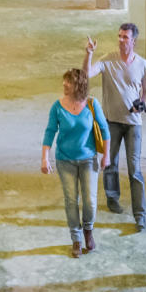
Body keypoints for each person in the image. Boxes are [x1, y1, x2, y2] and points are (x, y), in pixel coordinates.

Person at [83, 23, 146, 229]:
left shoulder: (142, 64)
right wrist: (89, 54)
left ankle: (140, 214)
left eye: (125, 38)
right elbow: (86, 74)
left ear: (134, 41)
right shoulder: (108, 60)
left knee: (135, 169)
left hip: (133, 124)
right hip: (111, 121)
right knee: (109, 163)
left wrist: (143, 103)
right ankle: (112, 198)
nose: (121, 40)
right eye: (119, 36)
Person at [41, 68, 110, 257]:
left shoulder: (91, 104)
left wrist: (106, 155)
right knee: (71, 201)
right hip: (65, 160)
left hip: (88, 159)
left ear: (78, 85)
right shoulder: (57, 106)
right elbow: (49, 132)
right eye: (64, 81)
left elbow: (104, 130)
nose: (64, 85)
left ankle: (88, 229)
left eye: (68, 82)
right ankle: (76, 239)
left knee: (90, 201)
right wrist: (45, 157)